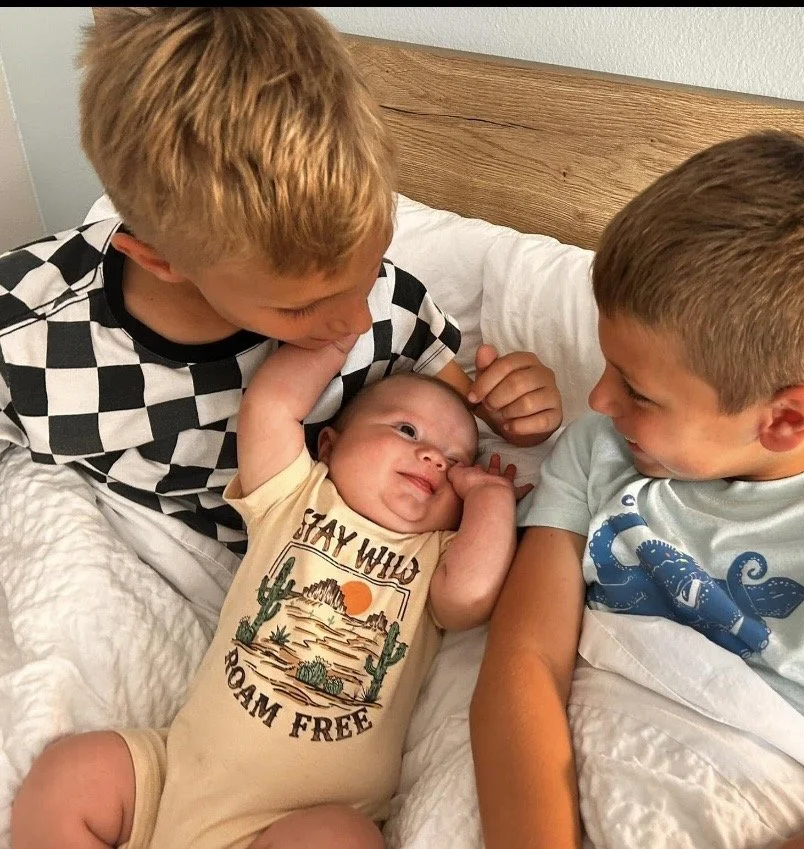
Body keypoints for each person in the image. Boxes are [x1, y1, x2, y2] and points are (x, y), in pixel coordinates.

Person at [469, 130, 804, 849]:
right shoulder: (601, 453)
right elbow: (522, 659)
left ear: (783, 417)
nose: (596, 398)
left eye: (636, 389)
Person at [0, 7, 561, 633]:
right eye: (300, 307)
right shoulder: (29, 337)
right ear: (161, 261)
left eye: (370, 266)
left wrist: (518, 411)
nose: (355, 317)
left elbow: (468, 419)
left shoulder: (385, 304)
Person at [13, 331, 520, 848]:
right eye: (408, 430)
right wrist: (332, 340)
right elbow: (272, 406)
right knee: (72, 774)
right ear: (330, 444)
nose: (434, 458)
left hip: (298, 821)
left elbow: (473, 594)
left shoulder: (433, 555)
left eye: (457, 463)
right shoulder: (295, 496)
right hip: (173, 783)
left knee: (342, 837)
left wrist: (491, 501)